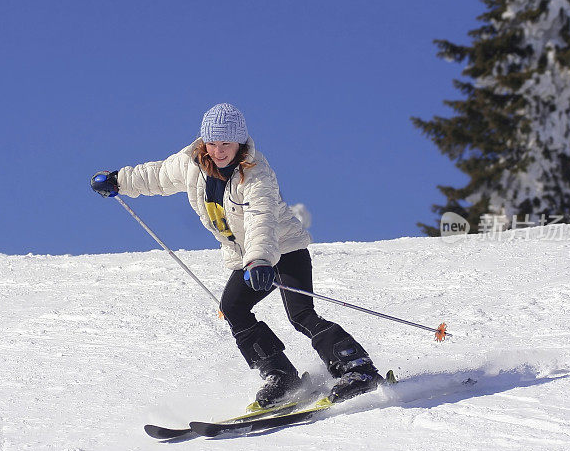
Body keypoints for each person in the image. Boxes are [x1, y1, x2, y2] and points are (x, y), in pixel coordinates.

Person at [91, 103, 382, 407]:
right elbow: (158, 175)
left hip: (283, 249)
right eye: (212, 143)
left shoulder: (257, 175)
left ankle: (357, 367)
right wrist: (118, 180)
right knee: (233, 308)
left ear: (240, 142)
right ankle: (281, 375)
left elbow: (261, 219)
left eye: (226, 143)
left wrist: (260, 260)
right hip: (247, 258)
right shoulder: (191, 163)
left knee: (300, 314)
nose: (218, 151)